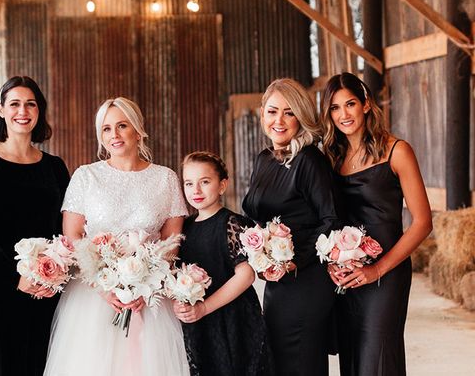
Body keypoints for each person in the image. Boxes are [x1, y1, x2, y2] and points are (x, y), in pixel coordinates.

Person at [43, 97, 190, 376]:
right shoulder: (85, 176)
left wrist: (146, 285)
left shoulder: (165, 179)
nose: (115, 135)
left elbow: (172, 243)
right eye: (107, 129)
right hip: (93, 296)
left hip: (150, 296)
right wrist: (104, 285)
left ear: (138, 129)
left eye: (122, 125)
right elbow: (73, 236)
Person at [321, 72, 432, 376]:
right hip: (347, 273)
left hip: (387, 274)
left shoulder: (398, 151)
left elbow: (423, 222)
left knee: (378, 357)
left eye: (350, 104)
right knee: (353, 358)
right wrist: (331, 262)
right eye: (334, 108)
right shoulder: (330, 157)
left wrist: (376, 270)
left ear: (366, 104)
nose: (343, 114)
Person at [0, 75, 70, 376]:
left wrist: (54, 273)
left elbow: (65, 227)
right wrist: (16, 277)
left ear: (39, 111)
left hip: (47, 289)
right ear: (1, 109)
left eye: (30, 104)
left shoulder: (55, 167)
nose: (22, 111)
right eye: (14, 104)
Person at [242, 78, 338, 376]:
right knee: (280, 364)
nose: (279, 121)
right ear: (262, 114)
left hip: (306, 282)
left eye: (289, 112)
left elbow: (331, 220)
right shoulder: (263, 160)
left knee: (301, 364)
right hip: (277, 286)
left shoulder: (309, 161)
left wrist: (294, 261)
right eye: (272, 111)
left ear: (302, 117)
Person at [175, 151, 273, 376]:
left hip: (233, 321)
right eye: (189, 183)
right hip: (200, 324)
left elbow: (246, 275)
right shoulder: (185, 228)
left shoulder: (233, 223)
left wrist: (204, 307)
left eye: (205, 182)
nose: (196, 190)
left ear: (222, 185)